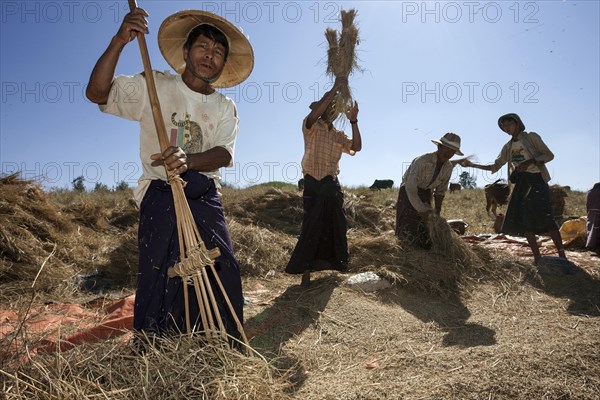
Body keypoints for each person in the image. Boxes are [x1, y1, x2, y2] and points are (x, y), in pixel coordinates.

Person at [86, 8, 254, 339]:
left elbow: (224, 153)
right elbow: (97, 93)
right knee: (158, 271)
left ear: (223, 64)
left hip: (203, 193)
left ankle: (220, 341)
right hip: (159, 190)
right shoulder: (156, 85)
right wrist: (119, 41)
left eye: (218, 52)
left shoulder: (225, 107)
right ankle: (155, 345)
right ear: (187, 52)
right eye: (203, 46)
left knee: (223, 267)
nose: (210, 56)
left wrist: (188, 160)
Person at [285, 77, 362, 286]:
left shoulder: (338, 135)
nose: (327, 110)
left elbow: (357, 147)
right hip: (312, 184)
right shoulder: (310, 126)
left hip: (331, 186)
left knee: (336, 225)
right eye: (324, 107)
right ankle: (305, 271)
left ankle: (334, 266)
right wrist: (336, 87)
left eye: (330, 108)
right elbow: (316, 113)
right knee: (312, 226)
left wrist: (354, 121)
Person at [463, 113, 566, 265]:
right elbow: (495, 166)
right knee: (525, 222)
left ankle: (562, 256)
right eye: (504, 126)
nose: (506, 128)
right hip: (521, 185)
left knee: (547, 218)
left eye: (508, 124)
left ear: (517, 123)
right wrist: (472, 165)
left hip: (537, 181)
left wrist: (530, 161)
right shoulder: (508, 147)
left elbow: (549, 155)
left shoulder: (531, 137)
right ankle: (537, 257)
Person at [395, 132, 464, 249]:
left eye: (452, 151)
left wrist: (436, 211)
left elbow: (440, 191)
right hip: (408, 192)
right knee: (407, 225)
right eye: (447, 149)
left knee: (425, 227)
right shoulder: (422, 161)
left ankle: (422, 249)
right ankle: (403, 249)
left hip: (426, 193)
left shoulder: (448, 167)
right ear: (439, 147)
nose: (449, 153)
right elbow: (411, 187)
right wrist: (421, 209)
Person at [586, 182, 600, 253]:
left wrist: (588, 212)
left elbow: (587, 204)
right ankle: (597, 247)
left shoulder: (590, 192)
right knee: (597, 231)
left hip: (591, 212)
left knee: (590, 229)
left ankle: (591, 246)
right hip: (598, 212)